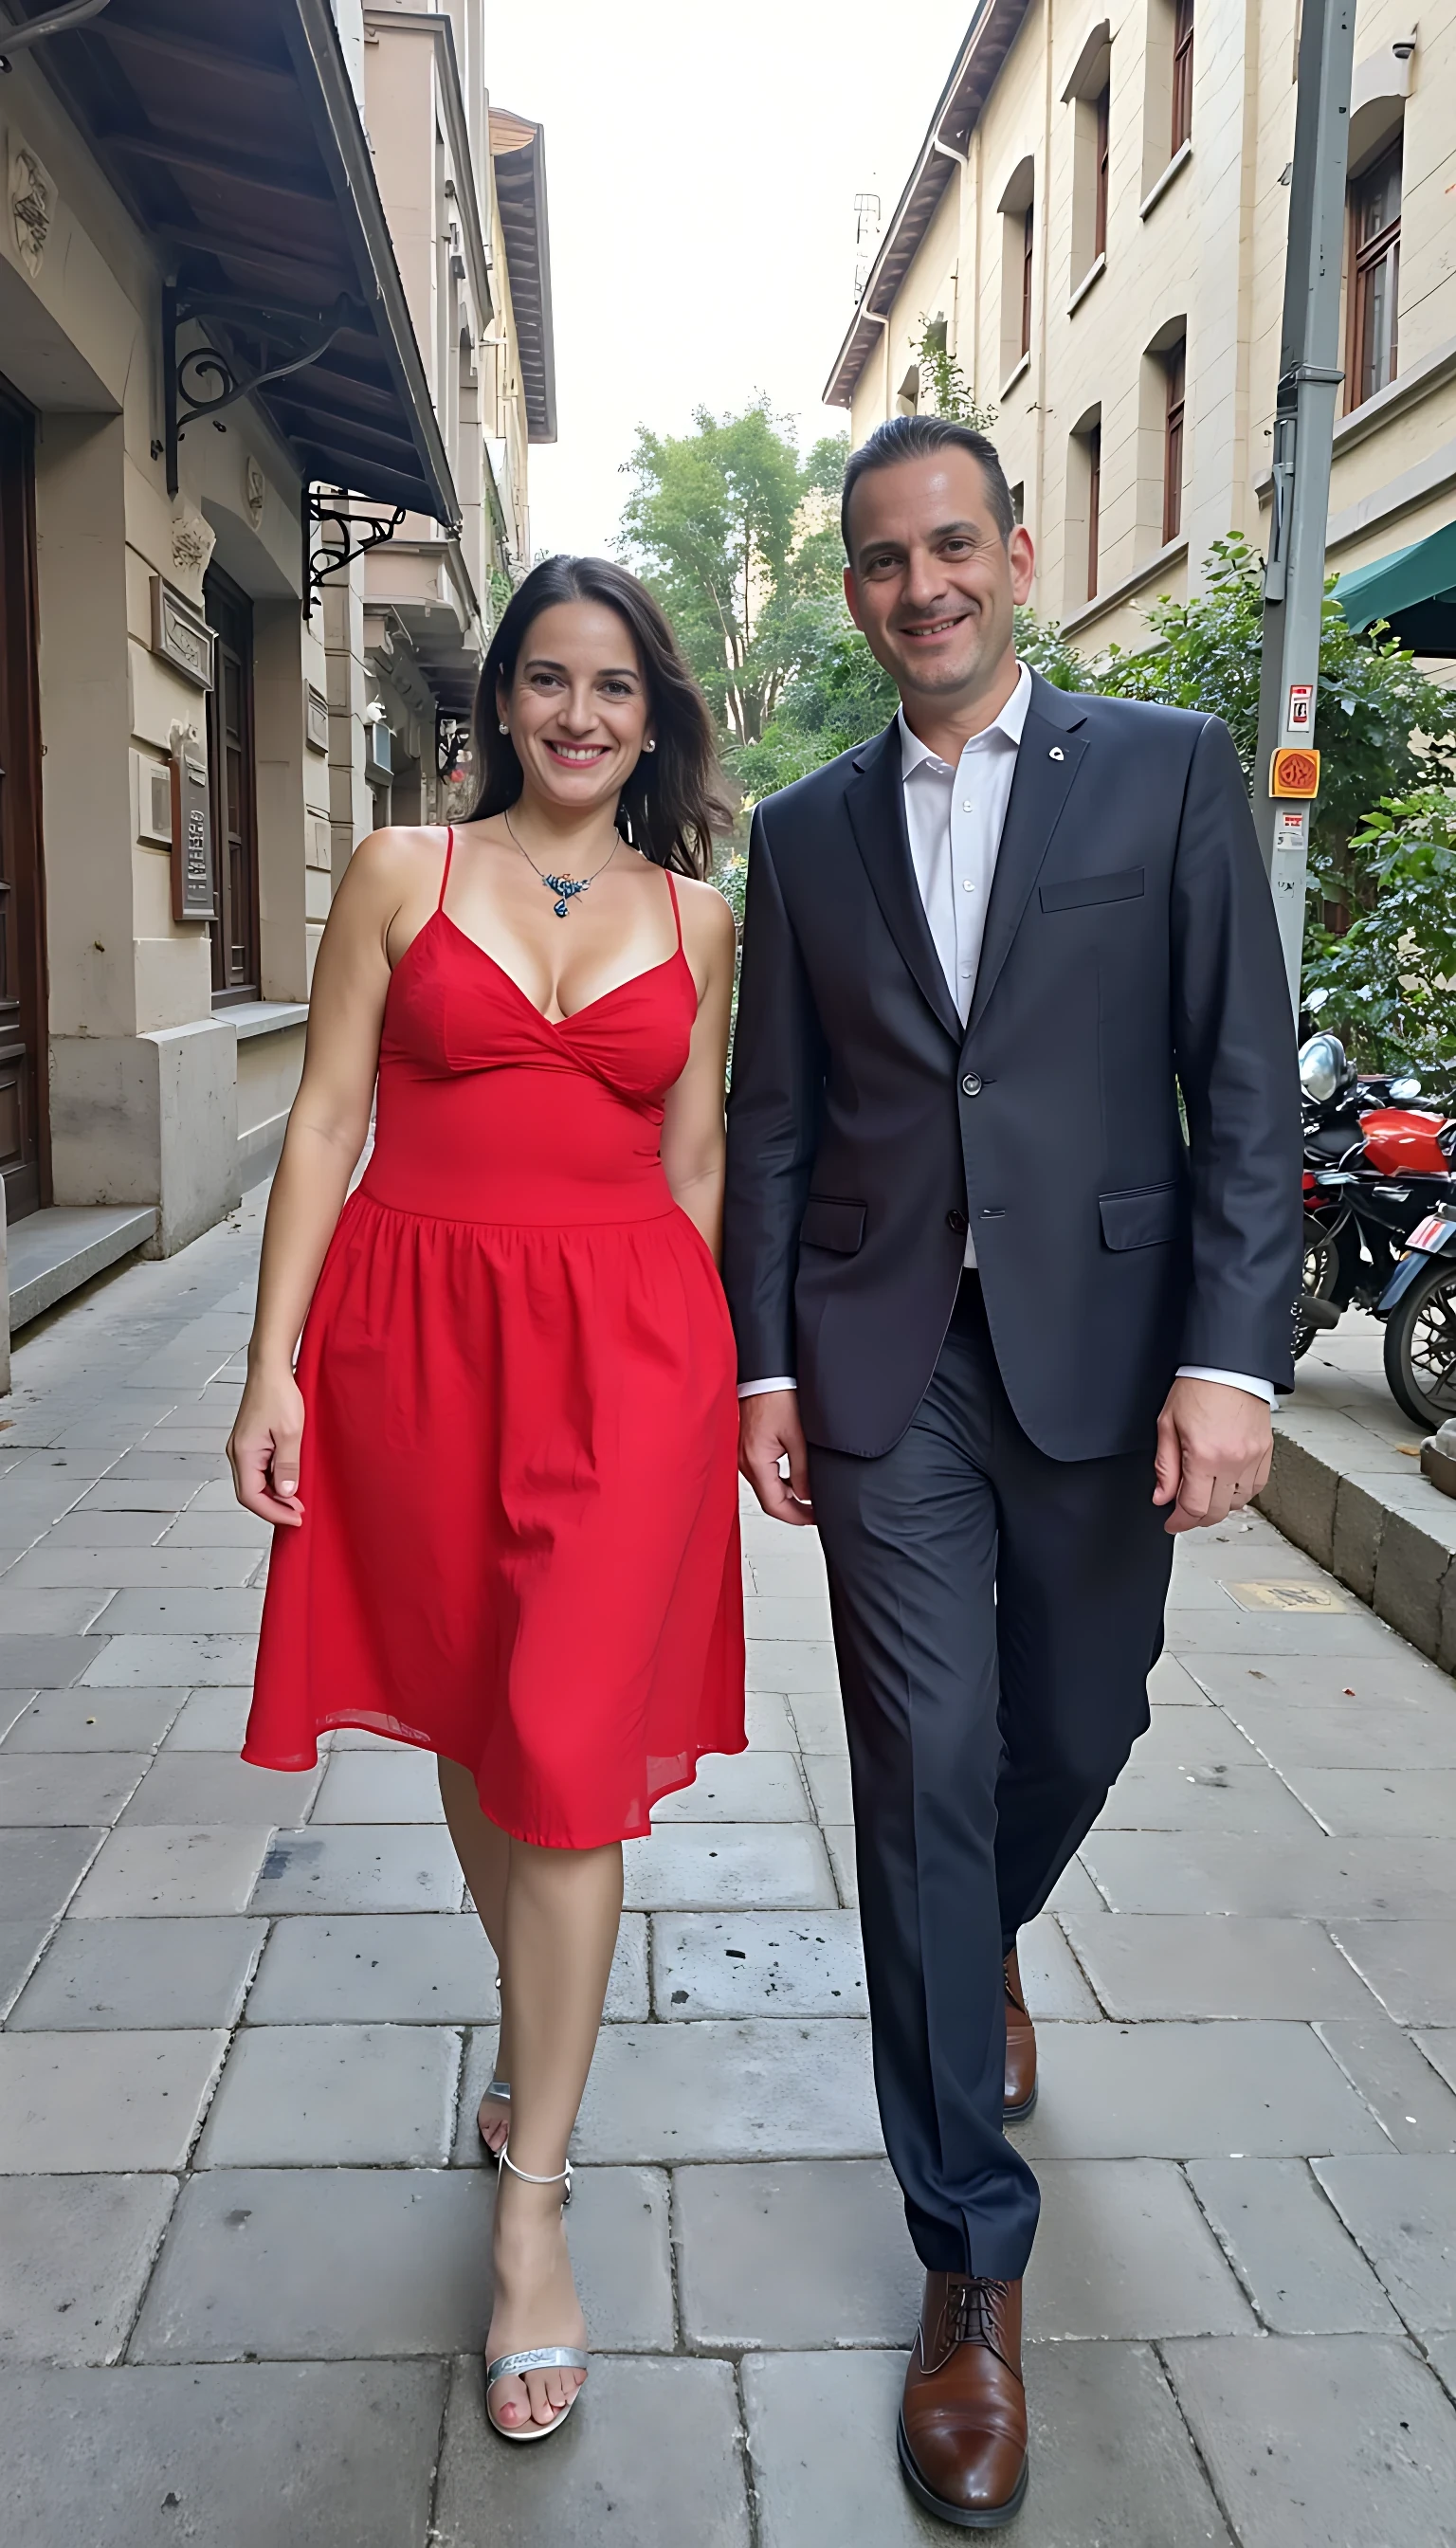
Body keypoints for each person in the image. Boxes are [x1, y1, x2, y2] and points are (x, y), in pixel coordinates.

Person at [724, 414, 1301, 2528]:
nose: (920, 587)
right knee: (923, 1761)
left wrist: (1236, 1364)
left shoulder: (1156, 772)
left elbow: (1239, 1084)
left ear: (1019, 552)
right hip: (887, 1370)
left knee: (1078, 1717)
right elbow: (775, 1122)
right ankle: (969, 2262)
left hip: (1103, 1349)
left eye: (951, 546)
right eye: (883, 560)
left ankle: (973, 1946)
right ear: (857, 589)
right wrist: (760, 1368)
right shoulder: (807, 833)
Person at [230, 555, 744, 2445]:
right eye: (547, 680)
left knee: (566, 1752)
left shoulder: (698, 921)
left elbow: (692, 1172)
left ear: (652, 710)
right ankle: (537, 2065)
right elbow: (319, 1120)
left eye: (613, 685)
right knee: (468, 1710)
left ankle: (534, 2213)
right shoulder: (398, 875)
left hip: (625, 1368)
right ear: (503, 702)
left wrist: (701, 1387)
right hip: (415, 1344)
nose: (579, 714)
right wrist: (271, 1363)